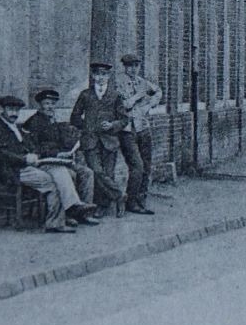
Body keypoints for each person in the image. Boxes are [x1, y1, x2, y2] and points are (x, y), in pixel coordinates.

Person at [0, 95, 78, 232]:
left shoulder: (15, 127)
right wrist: (24, 158)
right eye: (10, 110)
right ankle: (55, 222)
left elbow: (30, 145)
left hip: (25, 167)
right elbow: (2, 153)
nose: (14, 114)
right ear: (3, 110)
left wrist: (35, 154)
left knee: (63, 173)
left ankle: (67, 213)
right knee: (51, 181)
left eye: (17, 111)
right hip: (11, 171)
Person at [23, 88, 98, 228]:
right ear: (40, 105)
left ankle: (85, 212)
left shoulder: (54, 122)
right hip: (46, 161)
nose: (50, 107)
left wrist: (72, 146)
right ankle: (69, 214)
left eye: (52, 104)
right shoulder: (34, 122)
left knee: (87, 173)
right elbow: (34, 147)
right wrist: (56, 154)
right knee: (70, 174)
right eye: (47, 104)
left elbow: (63, 142)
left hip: (61, 159)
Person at [70, 63, 130, 216]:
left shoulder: (115, 96)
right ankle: (119, 195)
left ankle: (102, 207)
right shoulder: (85, 95)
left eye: (104, 75)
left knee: (108, 174)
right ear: (93, 76)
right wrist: (87, 126)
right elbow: (74, 117)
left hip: (110, 140)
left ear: (108, 77)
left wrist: (112, 125)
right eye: (97, 74)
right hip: (90, 140)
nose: (101, 78)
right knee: (96, 171)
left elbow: (124, 119)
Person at [116, 53, 161, 215]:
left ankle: (142, 201)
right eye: (130, 66)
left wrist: (149, 106)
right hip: (127, 130)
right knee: (137, 166)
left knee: (147, 165)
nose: (133, 69)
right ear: (124, 67)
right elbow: (126, 104)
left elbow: (158, 92)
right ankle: (131, 201)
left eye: (136, 66)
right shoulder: (119, 84)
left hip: (143, 127)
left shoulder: (143, 82)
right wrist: (140, 95)